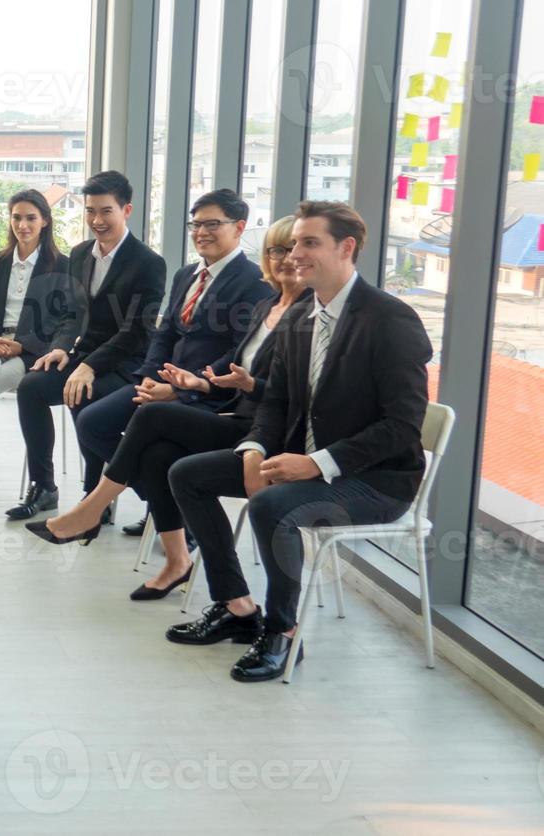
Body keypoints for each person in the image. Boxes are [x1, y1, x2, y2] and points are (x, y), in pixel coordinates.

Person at [162, 202, 431, 682]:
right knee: (188, 475)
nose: (294, 254)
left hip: (375, 480)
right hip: (298, 461)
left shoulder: (390, 320)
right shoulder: (300, 312)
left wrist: (318, 463)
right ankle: (238, 609)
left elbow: (402, 426)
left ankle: (283, 633)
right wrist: (254, 449)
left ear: (346, 248)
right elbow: (277, 404)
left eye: (310, 243)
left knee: (272, 508)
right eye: (293, 243)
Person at [26, 217, 306, 601]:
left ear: (239, 228)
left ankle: (93, 508)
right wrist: (172, 379)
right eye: (276, 250)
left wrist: (192, 389)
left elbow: (281, 388)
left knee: (152, 420)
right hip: (210, 395)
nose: (286, 258)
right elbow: (167, 333)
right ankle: (178, 560)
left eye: (295, 249)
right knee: (151, 451)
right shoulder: (267, 304)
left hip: (244, 420)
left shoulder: (293, 308)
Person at [50, 188, 275, 530]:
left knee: (155, 445)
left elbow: (239, 352)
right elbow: (165, 331)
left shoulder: (254, 282)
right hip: (163, 383)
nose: (201, 232)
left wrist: (185, 388)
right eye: (195, 224)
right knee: (93, 422)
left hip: (209, 394)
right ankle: (164, 503)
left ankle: (163, 513)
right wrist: (150, 377)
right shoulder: (187, 274)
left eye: (212, 223)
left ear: (240, 227)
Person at [8, 171, 166, 521]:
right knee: (31, 386)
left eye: (105, 211)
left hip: (127, 363)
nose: (97, 220)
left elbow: (136, 331)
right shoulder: (80, 254)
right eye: (90, 210)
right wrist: (64, 347)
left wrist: (89, 366)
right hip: (85, 356)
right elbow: (71, 311)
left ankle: (105, 497)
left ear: (126, 210)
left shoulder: (148, 263)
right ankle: (44, 486)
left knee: (83, 394)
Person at [0, 189, 76, 447]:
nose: (22, 225)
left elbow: (60, 322)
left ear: (45, 221)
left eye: (30, 218)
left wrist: (23, 344)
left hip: (31, 354)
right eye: (16, 218)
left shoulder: (62, 265)